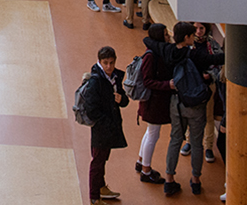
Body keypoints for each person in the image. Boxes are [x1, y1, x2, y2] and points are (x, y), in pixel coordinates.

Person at [162, 21, 224, 196]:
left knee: (175, 140)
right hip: (195, 104)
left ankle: (169, 179)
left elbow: (152, 43)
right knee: (197, 143)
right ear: (187, 37)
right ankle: (195, 180)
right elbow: (215, 59)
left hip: (176, 102)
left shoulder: (170, 52)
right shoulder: (194, 55)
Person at [87, 46, 129, 205]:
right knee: (97, 161)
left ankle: (101, 187)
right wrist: (106, 123)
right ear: (99, 62)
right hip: (101, 128)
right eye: (105, 63)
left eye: (111, 63)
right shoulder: (95, 81)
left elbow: (124, 99)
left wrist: (121, 100)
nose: (109, 67)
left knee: (103, 158)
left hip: (110, 126)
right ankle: (94, 197)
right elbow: (92, 110)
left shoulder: (115, 77)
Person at [136, 24, 172, 185]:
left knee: (150, 132)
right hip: (155, 103)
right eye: (165, 34)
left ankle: (141, 161)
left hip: (152, 103)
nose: (168, 36)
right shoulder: (152, 56)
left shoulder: (151, 53)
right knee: (153, 135)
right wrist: (167, 85)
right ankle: (146, 170)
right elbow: (148, 81)